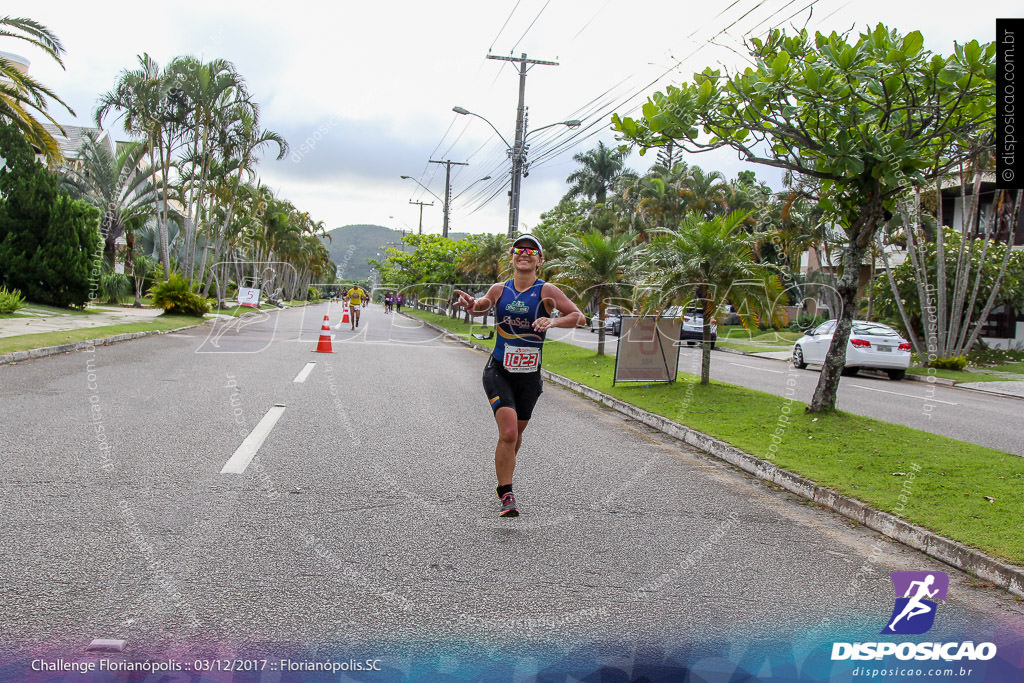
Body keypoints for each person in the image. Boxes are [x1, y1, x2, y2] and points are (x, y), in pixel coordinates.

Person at [454, 234, 584, 517]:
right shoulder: (500, 289)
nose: (524, 254)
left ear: (540, 260)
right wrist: (471, 305)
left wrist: (554, 319)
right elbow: (483, 305)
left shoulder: (547, 290)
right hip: (498, 370)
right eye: (518, 250)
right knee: (509, 431)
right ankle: (506, 494)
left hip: (529, 376)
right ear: (512, 257)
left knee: (516, 435)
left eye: (531, 250)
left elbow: (578, 316)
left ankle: (506, 468)